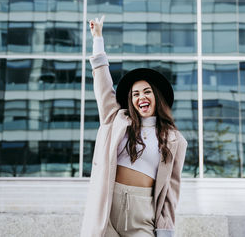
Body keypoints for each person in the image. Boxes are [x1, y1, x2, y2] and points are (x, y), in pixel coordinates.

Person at [80, 15, 188, 237]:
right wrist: (98, 39)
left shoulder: (175, 140)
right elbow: (103, 85)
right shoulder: (117, 120)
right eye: (135, 94)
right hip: (107, 207)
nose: (141, 97)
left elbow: (170, 192)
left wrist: (166, 231)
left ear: (157, 97)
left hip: (142, 214)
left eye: (147, 92)